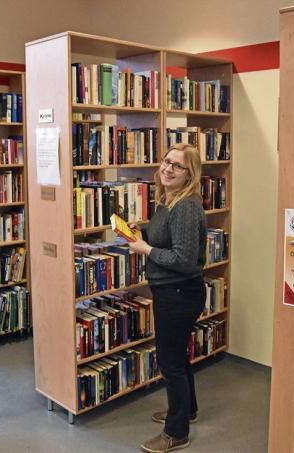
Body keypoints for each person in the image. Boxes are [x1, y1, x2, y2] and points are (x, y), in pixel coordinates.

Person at [128, 143, 208, 453]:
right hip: (171, 291)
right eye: (166, 161)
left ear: (190, 175)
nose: (167, 169)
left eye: (177, 166)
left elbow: (185, 259)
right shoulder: (168, 201)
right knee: (177, 357)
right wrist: (142, 235)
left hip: (180, 293)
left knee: (169, 361)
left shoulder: (186, 205)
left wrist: (145, 250)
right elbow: (166, 238)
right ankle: (186, 410)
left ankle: (177, 432)